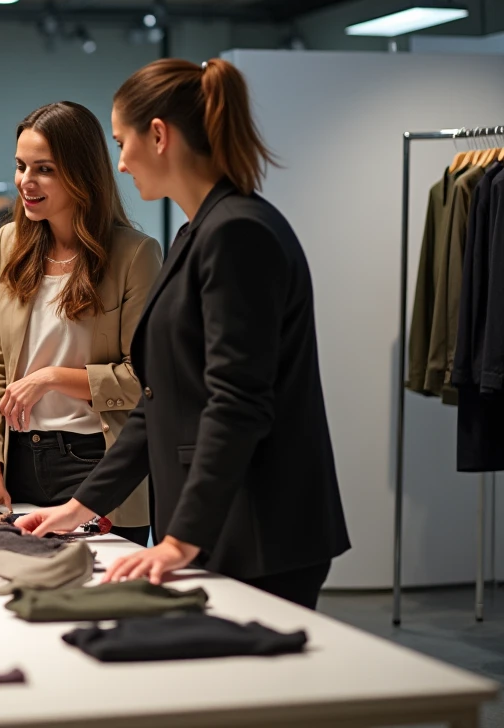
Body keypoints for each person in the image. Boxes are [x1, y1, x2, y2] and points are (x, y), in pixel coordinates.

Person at [18, 58, 350, 610]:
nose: (120, 165)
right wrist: (82, 505)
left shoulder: (238, 233)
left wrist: (180, 539)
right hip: (216, 522)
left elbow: (238, 402)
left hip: (257, 525)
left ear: (158, 135)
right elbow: (158, 397)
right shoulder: (196, 234)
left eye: (122, 142)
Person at [0, 102, 158, 547]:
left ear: (80, 172)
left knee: (95, 601)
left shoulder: (135, 255)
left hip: (97, 466)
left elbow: (143, 378)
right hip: (20, 463)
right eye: (20, 166)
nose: (25, 182)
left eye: (43, 169)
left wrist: (50, 379)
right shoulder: (8, 242)